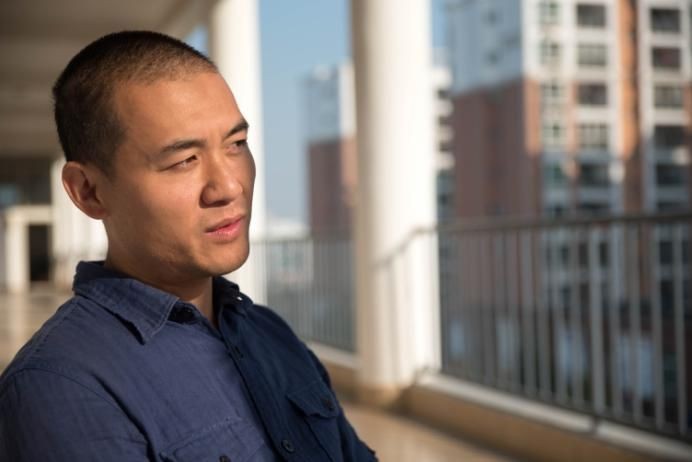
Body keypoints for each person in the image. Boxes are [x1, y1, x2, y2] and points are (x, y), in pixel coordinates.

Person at [0, 30, 376, 462]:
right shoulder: (59, 388)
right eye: (184, 161)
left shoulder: (269, 333)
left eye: (236, 144)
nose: (229, 186)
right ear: (89, 191)